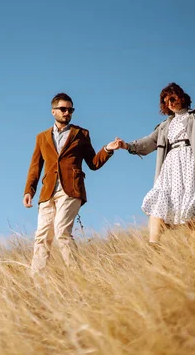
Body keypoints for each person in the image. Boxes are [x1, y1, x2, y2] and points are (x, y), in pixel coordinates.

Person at [23, 92, 123, 273]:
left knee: (61, 231)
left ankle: (77, 276)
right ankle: (36, 280)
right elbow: (35, 166)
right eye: (63, 109)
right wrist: (29, 191)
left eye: (70, 110)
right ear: (53, 111)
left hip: (71, 190)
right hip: (48, 192)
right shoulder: (42, 137)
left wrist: (107, 149)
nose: (67, 112)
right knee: (42, 236)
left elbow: (93, 163)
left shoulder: (81, 134)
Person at [116, 82, 195, 244]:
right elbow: (149, 142)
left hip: (191, 163)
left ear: (182, 98)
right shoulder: (165, 125)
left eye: (172, 98)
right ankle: (153, 245)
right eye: (165, 101)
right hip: (171, 166)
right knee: (159, 202)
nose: (169, 103)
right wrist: (127, 145)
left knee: (191, 207)